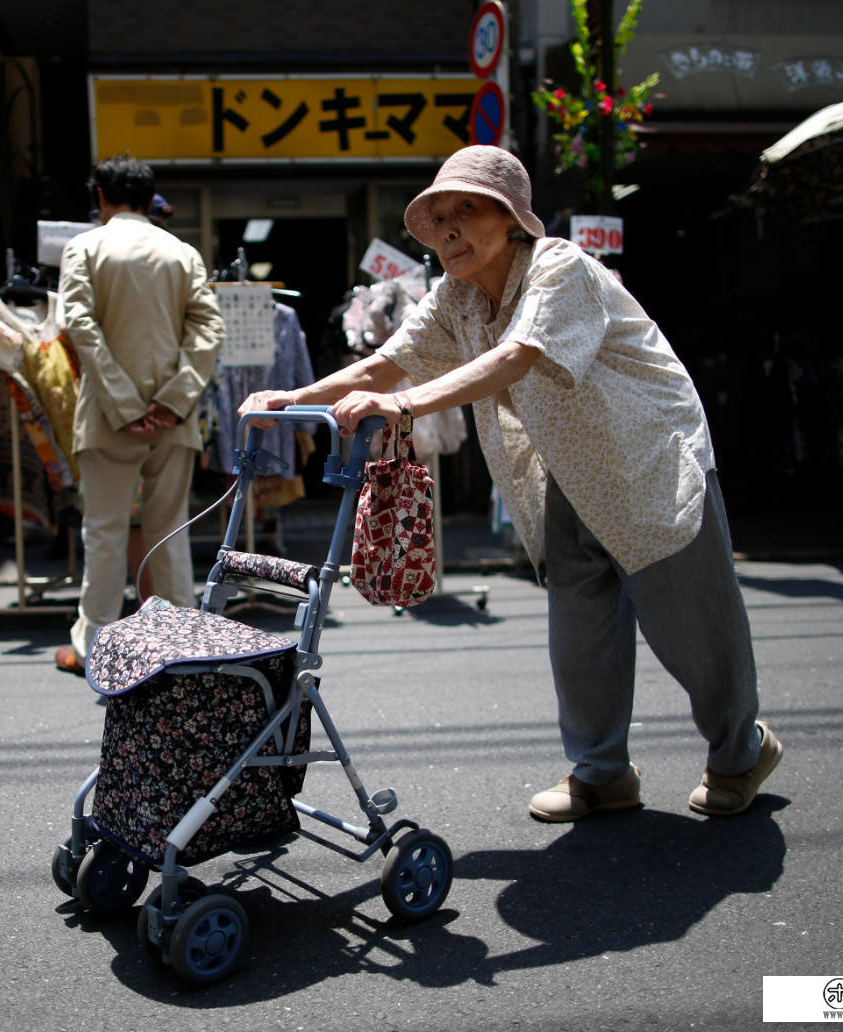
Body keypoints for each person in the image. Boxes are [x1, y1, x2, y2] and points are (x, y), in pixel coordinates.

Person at [240, 145, 781, 820]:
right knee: (580, 630)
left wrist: (407, 404)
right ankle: (601, 774)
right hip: (565, 469)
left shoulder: (561, 267)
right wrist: (293, 398)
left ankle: (740, 750)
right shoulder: (456, 295)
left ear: (514, 218)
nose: (449, 230)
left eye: (467, 209)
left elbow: (518, 356)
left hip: (647, 459)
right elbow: (387, 363)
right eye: (438, 218)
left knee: (689, 624)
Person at [55, 154, 225, 674]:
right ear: (149, 198)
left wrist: (125, 405)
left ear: (100, 198)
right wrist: (171, 401)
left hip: (109, 417)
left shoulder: (84, 246)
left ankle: (93, 648)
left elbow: (79, 327)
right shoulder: (181, 251)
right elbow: (208, 331)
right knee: (169, 529)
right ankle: (181, 646)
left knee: (104, 531)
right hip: (173, 419)